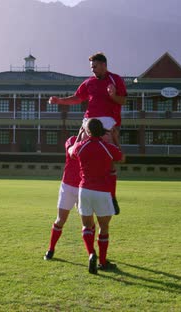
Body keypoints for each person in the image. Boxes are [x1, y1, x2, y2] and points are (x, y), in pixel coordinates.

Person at [49, 52, 127, 214]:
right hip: (88, 122)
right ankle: (80, 194)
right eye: (91, 67)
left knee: (110, 159)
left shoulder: (115, 79)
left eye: (95, 67)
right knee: (79, 156)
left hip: (107, 122)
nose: (93, 70)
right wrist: (59, 101)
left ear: (104, 65)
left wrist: (113, 95)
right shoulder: (88, 82)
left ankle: (112, 197)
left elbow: (123, 100)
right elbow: (77, 98)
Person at [70, 119, 124, 274]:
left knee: (87, 226)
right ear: (101, 131)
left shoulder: (81, 147)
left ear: (88, 131)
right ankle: (103, 261)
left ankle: (91, 253)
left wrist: (80, 136)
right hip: (103, 191)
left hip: (85, 190)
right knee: (104, 227)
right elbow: (120, 158)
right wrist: (115, 139)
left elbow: (71, 152)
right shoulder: (107, 147)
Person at [43, 136, 81, 261]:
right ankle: (51, 248)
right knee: (61, 219)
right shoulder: (72, 140)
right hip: (68, 185)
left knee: (88, 222)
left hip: (84, 186)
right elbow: (72, 153)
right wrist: (81, 135)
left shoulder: (94, 143)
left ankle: (92, 253)